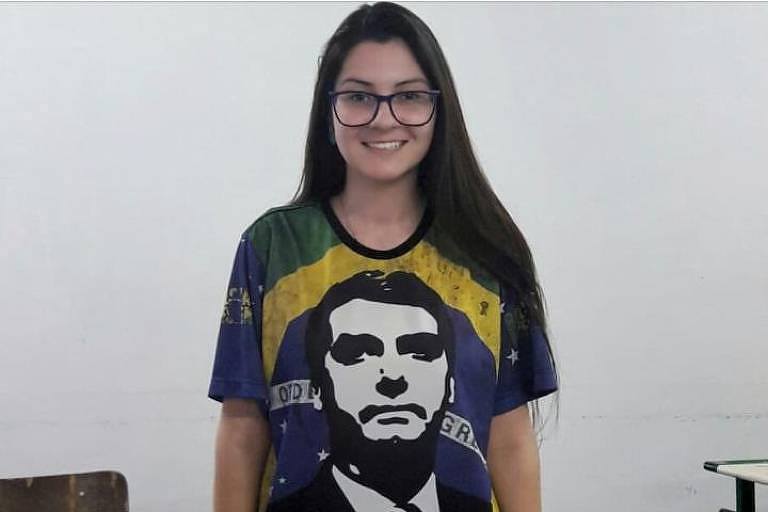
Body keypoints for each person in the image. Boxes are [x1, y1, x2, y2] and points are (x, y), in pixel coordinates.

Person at [209, 3, 559, 512]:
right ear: (328, 110)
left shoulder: (487, 250)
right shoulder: (273, 247)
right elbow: (243, 429)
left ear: (439, 109)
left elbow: (508, 437)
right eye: (359, 96)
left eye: (409, 96)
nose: (383, 118)